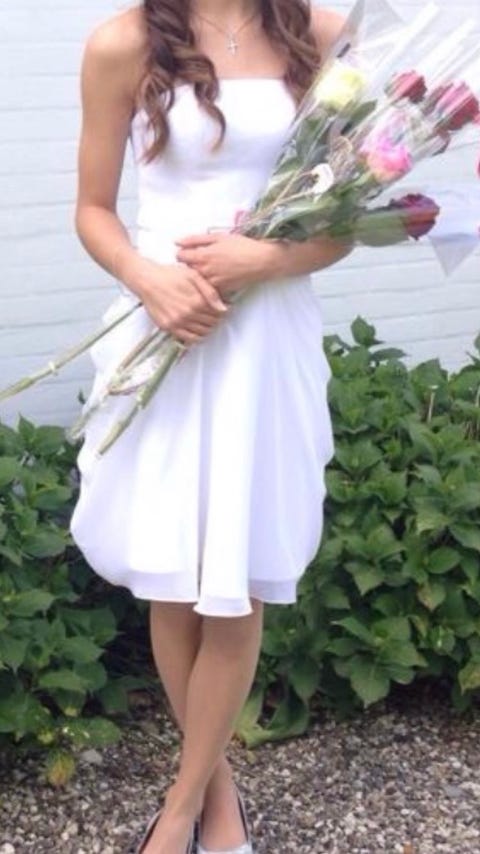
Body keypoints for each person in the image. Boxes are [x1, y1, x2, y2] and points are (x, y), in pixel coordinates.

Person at [69, 1, 350, 852]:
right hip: (166, 332)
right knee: (175, 577)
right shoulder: (123, 42)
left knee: (239, 578)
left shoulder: (322, 35)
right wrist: (148, 279)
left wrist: (267, 258)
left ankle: (181, 809)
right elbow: (92, 210)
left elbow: (344, 221)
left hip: (265, 341)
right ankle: (216, 795)